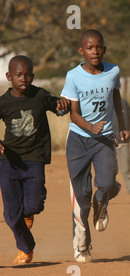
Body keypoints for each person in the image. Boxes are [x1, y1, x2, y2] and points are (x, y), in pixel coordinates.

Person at [61, 29, 130, 263]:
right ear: (82, 51)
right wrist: (90, 127)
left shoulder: (113, 71)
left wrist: (122, 124)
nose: (95, 51)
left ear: (104, 49)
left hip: (105, 139)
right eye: (90, 48)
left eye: (99, 47)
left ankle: (103, 197)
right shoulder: (73, 76)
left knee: (107, 181)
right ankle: (82, 246)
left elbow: (116, 96)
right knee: (80, 196)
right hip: (79, 140)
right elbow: (73, 113)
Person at [0, 55, 70, 264]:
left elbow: (58, 106)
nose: (24, 78)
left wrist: (63, 104)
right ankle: (26, 247)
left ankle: (30, 210)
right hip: (8, 161)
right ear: (9, 76)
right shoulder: (3, 102)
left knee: (33, 205)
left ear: (33, 75)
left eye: (28, 74)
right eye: (18, 74)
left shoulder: (39, 96)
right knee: (11, 214)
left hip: (34, 159)